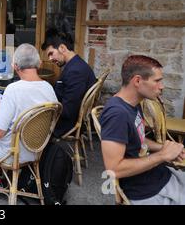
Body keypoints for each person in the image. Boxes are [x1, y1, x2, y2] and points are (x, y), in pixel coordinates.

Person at [0, 44, 58, 187]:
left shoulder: (13, 90)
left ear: (14, 66)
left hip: (9, 153)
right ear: (39, 64)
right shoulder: (49, 88)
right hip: (36, 150)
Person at [100, 55, 185, 204]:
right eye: (157, 80)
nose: (162, 86)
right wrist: (162, 155)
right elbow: (114, 169)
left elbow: (137, 138)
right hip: (145, 191)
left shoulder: (134, 103)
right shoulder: (117, 114)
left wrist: (162, 147)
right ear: (137, 81)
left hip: (158, 175)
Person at [41, 31, 96, 137]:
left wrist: (44, 108)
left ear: (62, 48)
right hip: (66, 118)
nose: (50, 59)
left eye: (51, 53)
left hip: (64, 125)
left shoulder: (75, 71)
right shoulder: (76, 64)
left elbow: (68, 111)